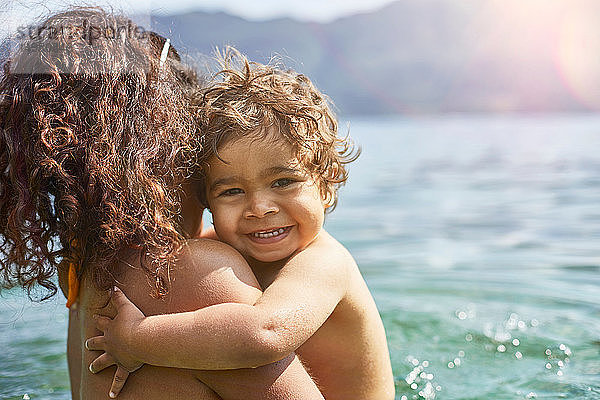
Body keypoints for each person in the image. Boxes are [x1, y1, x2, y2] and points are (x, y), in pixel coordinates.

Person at [0, 9, 324, 399]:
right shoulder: (190, 272)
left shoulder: (85, 273)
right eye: (196, 143)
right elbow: (263, 333)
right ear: (163, 151)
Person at [86, 50, 396, 400]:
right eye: (232, 191)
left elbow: (265, 333)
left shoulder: (324, 263)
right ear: (206, 202)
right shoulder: (221, 244)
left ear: (325, 184)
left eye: (283, 182)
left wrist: (137, 339)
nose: (259, 209)